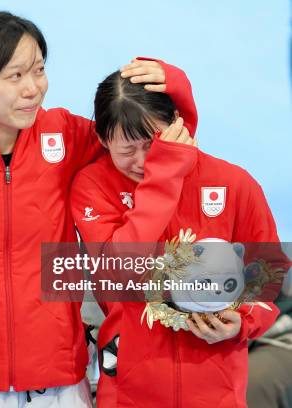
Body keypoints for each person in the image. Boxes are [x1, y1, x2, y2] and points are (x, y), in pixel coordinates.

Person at [0, 11, 191, 407]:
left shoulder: (67, 135)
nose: (32, 88)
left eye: (38, 70)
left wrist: (178, 90)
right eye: (14, 76)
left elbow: (147, 143)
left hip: (58, 383)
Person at [71, 64, 282, 407]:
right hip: (129, 394)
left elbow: (268, 275)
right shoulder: (93, 187)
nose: (141, 161)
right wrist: (164, 178)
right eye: (126, 150)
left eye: (152, 145)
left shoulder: (234, 183)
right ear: (101, 139)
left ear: (177, 128)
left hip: (217, 392)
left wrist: (241, 322)